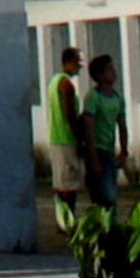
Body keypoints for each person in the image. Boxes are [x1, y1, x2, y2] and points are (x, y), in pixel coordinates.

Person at [84, 53, 131, 215]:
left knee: (111, 196)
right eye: (109, 70)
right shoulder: (93, 98)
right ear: (99, 76)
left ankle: (110, 231)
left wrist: (124, 151)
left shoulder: (118, 98)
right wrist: (94, 158)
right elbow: (88, 129)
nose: (114, 72)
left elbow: (122, 126)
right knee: (105, 196)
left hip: (110, 152)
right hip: (97, 150)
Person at [44, 45, 88, 216]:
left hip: (56, 137)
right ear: (69, 62)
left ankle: (61, 218)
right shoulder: (66, 84)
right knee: (69, 184)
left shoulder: (54, 81)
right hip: (66, 139)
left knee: (60, 183)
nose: (79, 68)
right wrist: (78, 138)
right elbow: (69, 113)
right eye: (77, 63)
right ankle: (67, 219)